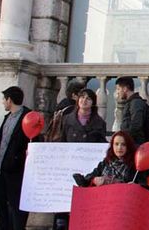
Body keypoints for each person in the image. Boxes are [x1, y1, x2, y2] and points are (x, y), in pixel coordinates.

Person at [55, 89, 106, 230]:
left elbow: (101, 148)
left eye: (88, 98)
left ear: (93, 103)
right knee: (65, 201)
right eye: (82, 97)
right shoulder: (67, 119)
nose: (84, 101)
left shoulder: (99, 122)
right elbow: (60, 142)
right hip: (68, 167)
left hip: (88, 169)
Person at [0, 86, 31, 230]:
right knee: (0, 201)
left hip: (16, 169)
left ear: (9, 100)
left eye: (4, 99)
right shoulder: (7, 117)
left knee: (16, 205)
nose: (3, 102)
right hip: (1, 167)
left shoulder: (28, 116)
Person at [77, 131, 149, 188]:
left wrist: (135, 186)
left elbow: (144, 186)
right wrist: (93, 180)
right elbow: (89, 178)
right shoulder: (105, 163)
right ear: (112, 146)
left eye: (123, 144)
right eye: (116, 144)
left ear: (128, 146)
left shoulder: (135, 165)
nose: (119, 148)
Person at [116, 76, 149, 146]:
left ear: (125, 89)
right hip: (131, 143)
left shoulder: (135, 103)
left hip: (134, 144)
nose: (117, 92)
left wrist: (124, 139)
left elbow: (136, 125)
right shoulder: (132, 102)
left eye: (118, 89)